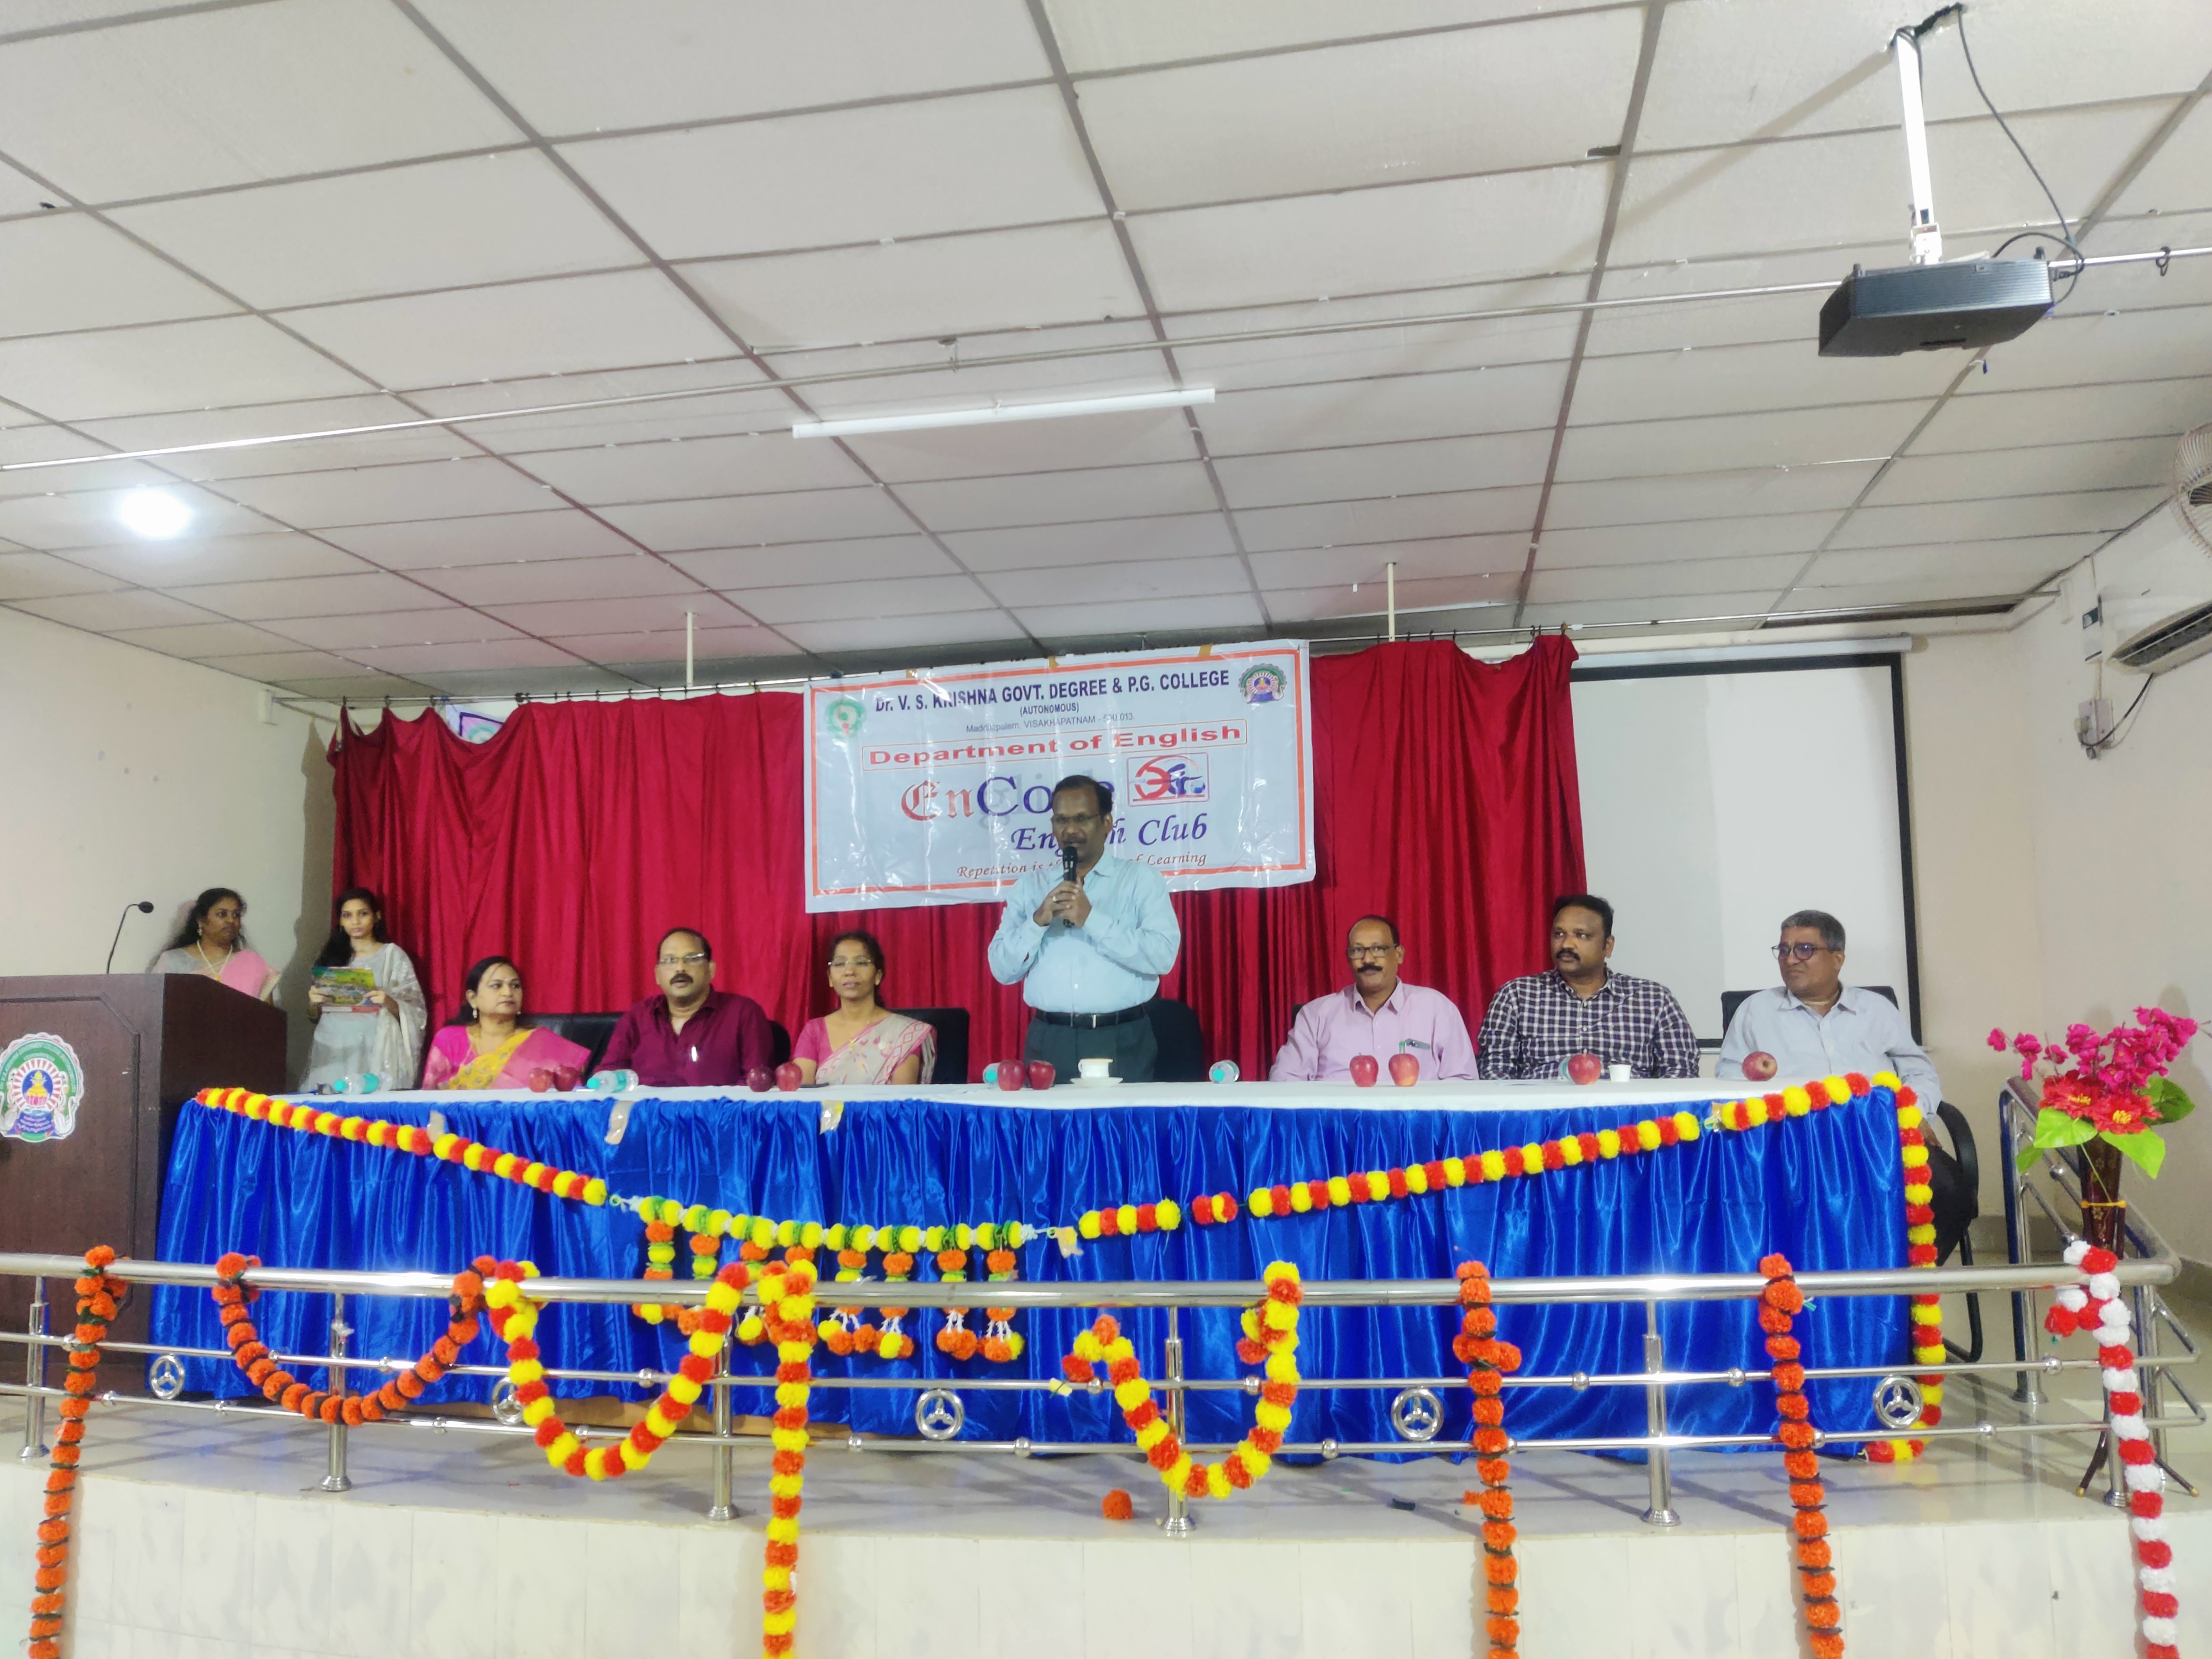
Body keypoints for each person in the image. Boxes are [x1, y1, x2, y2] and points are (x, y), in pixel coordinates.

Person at [988, 775, 1180, 1083]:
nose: (1070, 830)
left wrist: (1091, 919)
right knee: (1047, 1118)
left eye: (1081, 818)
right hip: (1049, 1039)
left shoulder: (1140, 879)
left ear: (1106, 822)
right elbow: (1002, 970)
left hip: (1121, 1038)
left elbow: (1163, 957)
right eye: (1061, 820)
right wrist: (1037, 922)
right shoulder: (1031, 886)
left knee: (1121, 1118)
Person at [1718, 910, 1941, 1100]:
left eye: (1805, 949)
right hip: (1790, 1131)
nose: (1790, 960)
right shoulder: (1756, 1011)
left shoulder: (1877, 1010)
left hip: (1872, 1128)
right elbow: (1730, 1080)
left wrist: (1915, 1113)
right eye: (1784, 950)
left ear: (1837, 960)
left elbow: (1919, 1074)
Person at [1478, 894, 1698, 1079]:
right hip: (1544, 1115)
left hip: (1629, 1115)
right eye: (1559, 934)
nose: (1566, 944)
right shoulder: (1517, 996)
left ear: (1608, 946)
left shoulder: (1653, 999)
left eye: (1581, 935)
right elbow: (1494, 1072)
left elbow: (1681, 1072)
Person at [1272, 915, 1477, 1082]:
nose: (1367, 959)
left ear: (1399, 954)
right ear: (1348, 959)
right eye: (1357, 951)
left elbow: (1463, 1080)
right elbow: (1285, 1080)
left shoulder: (1436, 1009)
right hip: (1338, 1120)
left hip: (1416, 1120)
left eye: (1378, 949)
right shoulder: (1316, 1015)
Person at [598, 927, 775, 1088]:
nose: (680, 968)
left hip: (718, 1113)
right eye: (670, 961)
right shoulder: (637, 1018)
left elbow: (757, 1085)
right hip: (646, 1113)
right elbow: (606, 1079)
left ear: (711, 969)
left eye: (691, 959)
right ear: (657, 975)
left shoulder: (743, 1014)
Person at [301, 886, 426, 1092]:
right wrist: (313, 1003)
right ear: (341, 922)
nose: (355, 921)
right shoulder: (331, 956)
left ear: (377, 916)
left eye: (363, 914)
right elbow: (313, 1016)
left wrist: (388, 1001)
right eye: (348, 916)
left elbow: (416, 1011)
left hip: (373, 1044)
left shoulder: (392, 955)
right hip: (332, 1045)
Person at [420, 956, 590, 1090]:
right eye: (497, 986)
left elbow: (568, 1098)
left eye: (515, 986)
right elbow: (427, 1097)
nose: (508, 992)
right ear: (473, 999)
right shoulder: (449, 1040)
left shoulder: (544, 1044)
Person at [791, 930, 936, 1087]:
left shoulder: (905, 1034)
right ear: (830, 978)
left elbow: (900, 1098)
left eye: (861, 963)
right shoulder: (814, 1031)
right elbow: (804, 1096)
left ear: (878, 976)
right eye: (840, 964)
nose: (849, 972)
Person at [152, 888, 280, 1001]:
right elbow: (156, 1008)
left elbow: (267, 1017)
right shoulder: (174, 961)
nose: (231, 920)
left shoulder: (253, 965)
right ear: (201, 920)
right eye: (222, 914)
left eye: (236, 915)